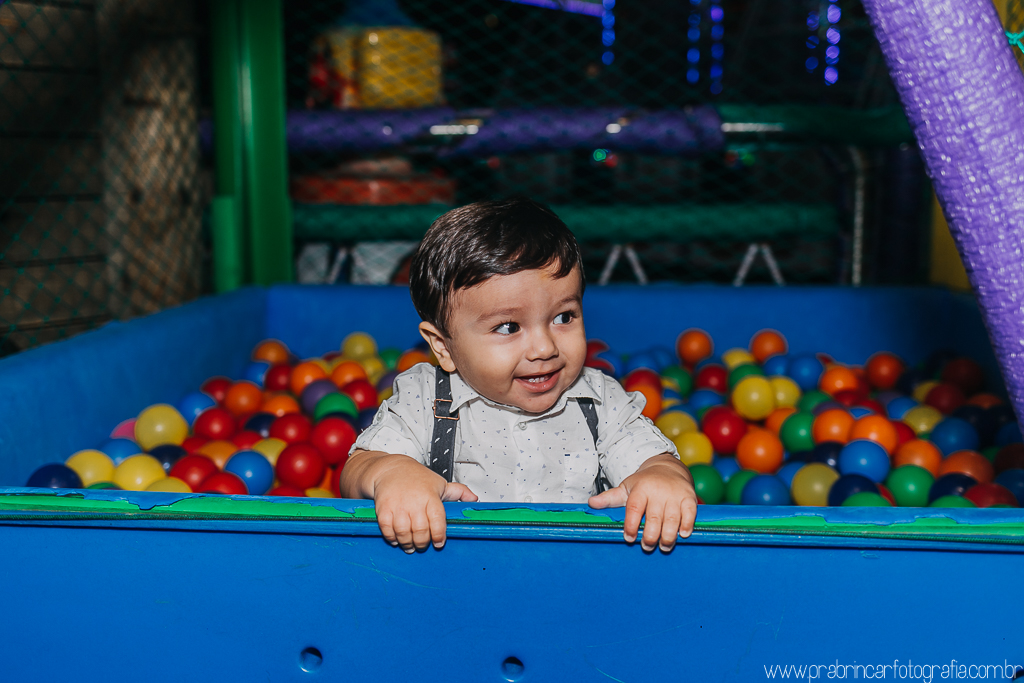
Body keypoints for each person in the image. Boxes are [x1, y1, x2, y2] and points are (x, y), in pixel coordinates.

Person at [339, 197, 697, 554]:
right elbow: (359, 468)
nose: (544, 348)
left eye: (564, 317)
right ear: (443, 346)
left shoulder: (598, 400)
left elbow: (654, 459)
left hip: (577, 576)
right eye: (509, 327)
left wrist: (663, 477)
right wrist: (392, 473)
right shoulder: (424, 398)